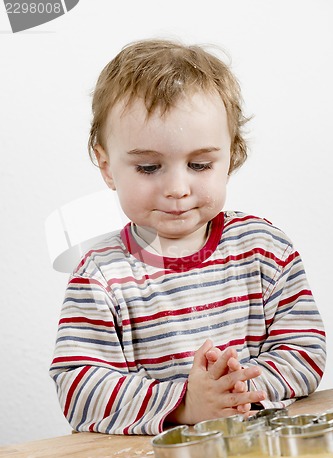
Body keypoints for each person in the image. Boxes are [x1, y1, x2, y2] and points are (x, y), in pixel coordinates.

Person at [49, 39, 326, 435]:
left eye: (199, 164)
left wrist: (233, 392)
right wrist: (187, 404)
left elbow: (305, 349)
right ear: (107, 167)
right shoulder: (100, 276)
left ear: (232, 157)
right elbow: (79, 389)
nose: (177, 188)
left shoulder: (264, 249)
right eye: (148, 167)